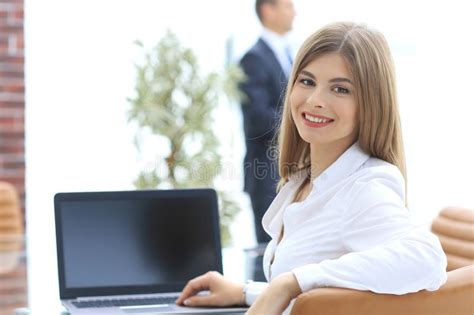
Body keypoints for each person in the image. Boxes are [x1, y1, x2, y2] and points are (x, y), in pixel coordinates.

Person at [176, 22, 447, 315]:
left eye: (340, 89)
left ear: (371, 104)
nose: (315, 100)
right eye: (307, 81)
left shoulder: (364, 188)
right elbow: (320, 299)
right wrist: (246, 292)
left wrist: (291, 282)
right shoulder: (307, 180)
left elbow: (427, 258)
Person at [240, 0, 296, 245]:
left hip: (291, 173)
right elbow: (258, 120)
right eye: (287, 6)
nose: (294, 12)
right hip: (267, 176)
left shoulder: (288, 55)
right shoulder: (253, 59)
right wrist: (303, 122)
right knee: (270, 253)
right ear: (267, 10)